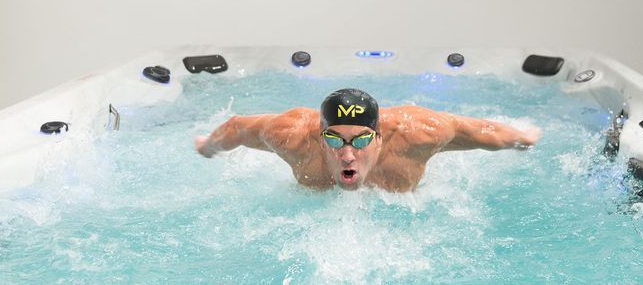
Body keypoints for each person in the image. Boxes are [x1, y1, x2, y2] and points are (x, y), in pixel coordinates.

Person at [195, 88, 541, 192]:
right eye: (335, 140)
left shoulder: (417, 133)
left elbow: (482, 131)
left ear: (378, 136)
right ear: (319, 135)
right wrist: (207, 147)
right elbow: (237, 128)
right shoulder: (291, 136)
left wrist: (521, 137)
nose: (347, 155)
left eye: (359, 141)